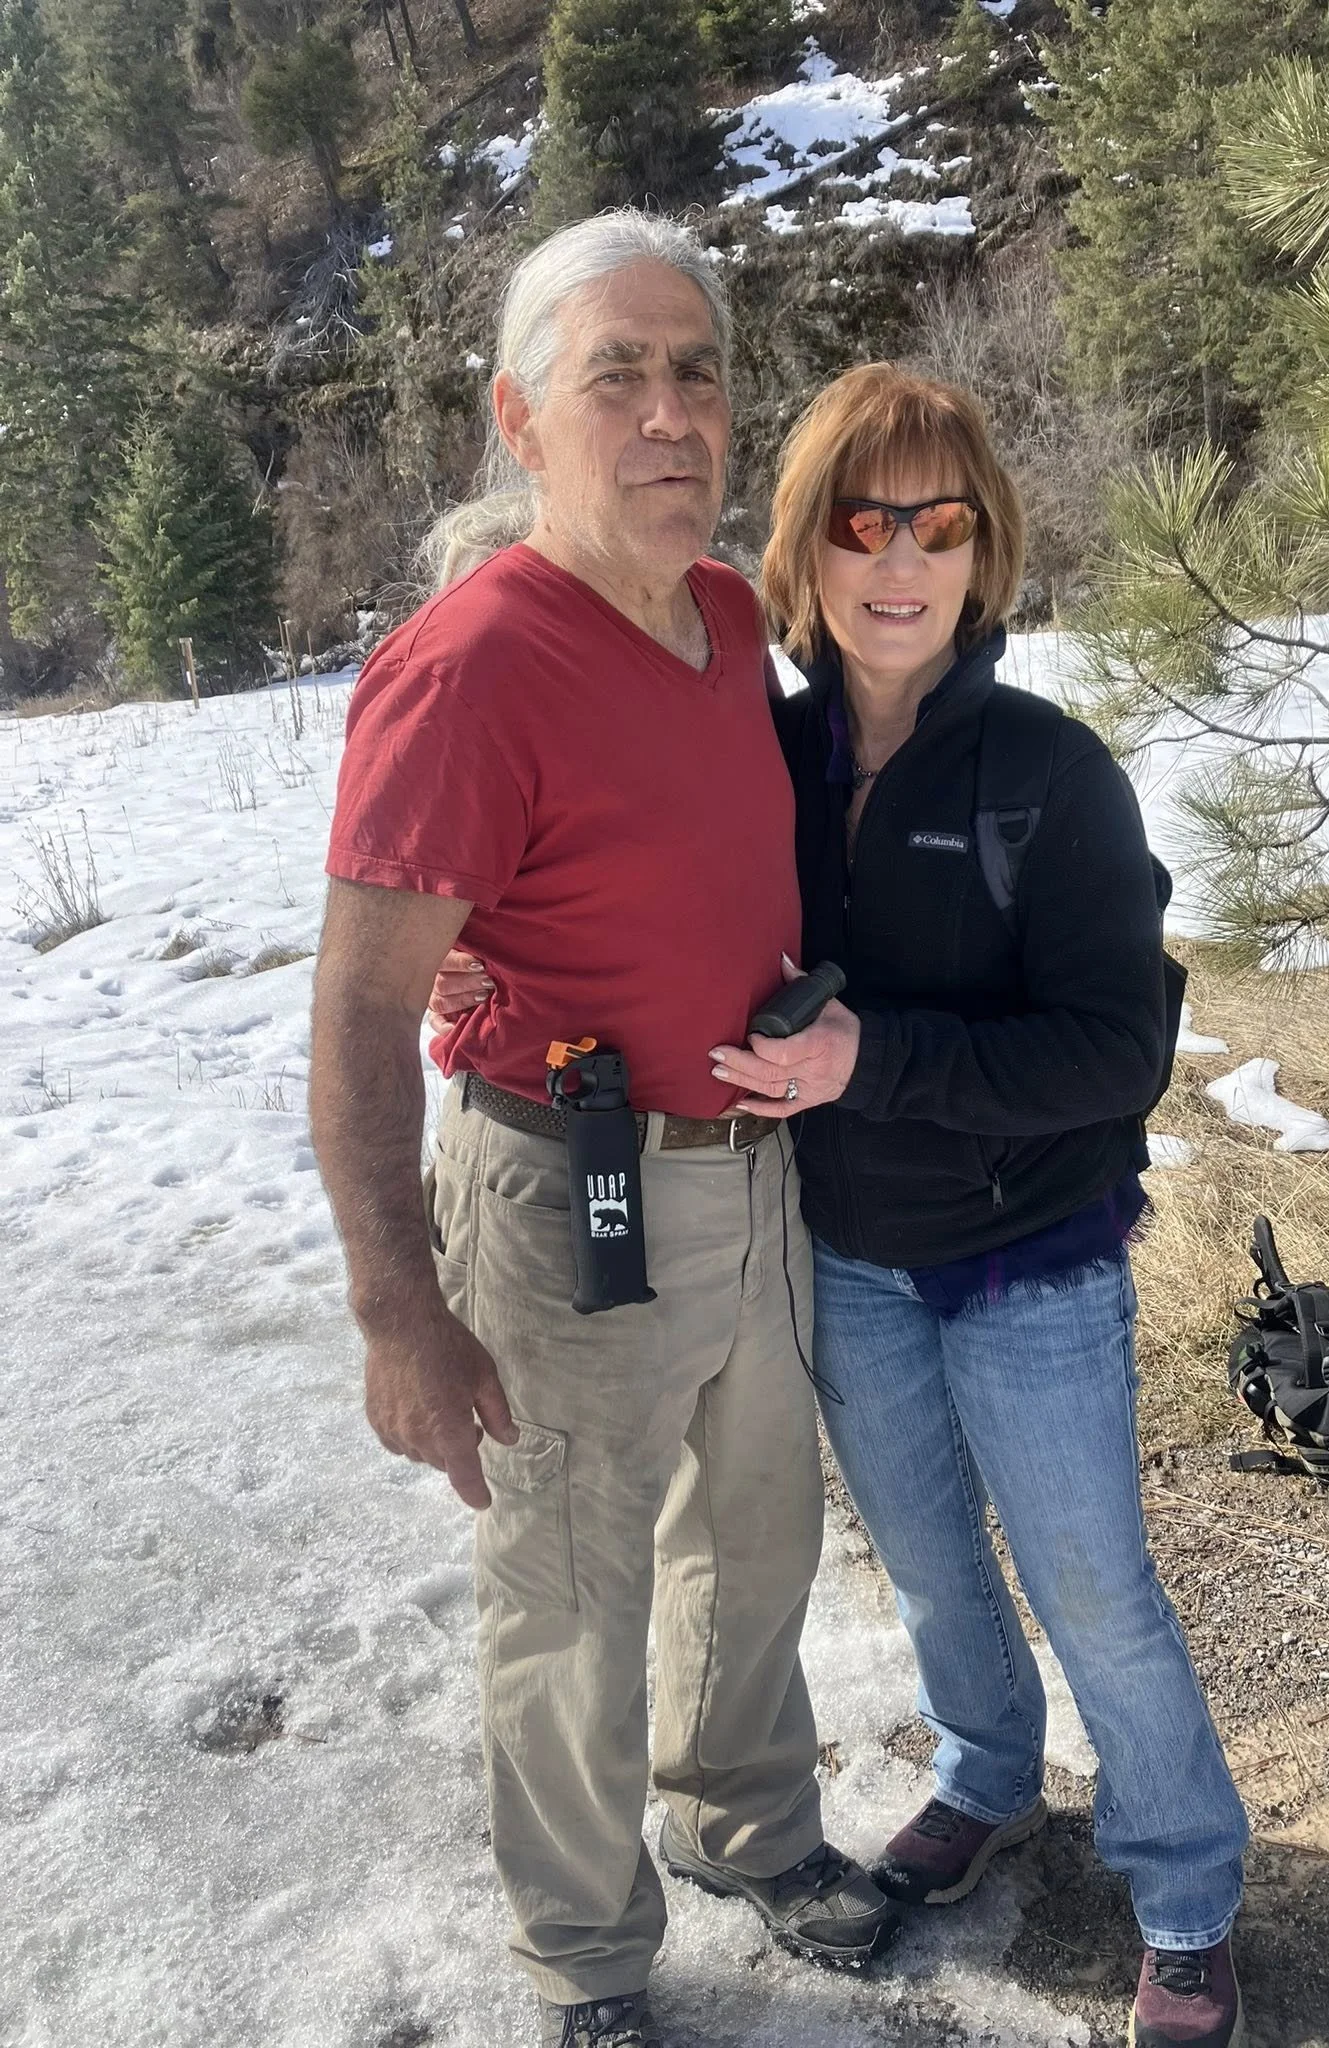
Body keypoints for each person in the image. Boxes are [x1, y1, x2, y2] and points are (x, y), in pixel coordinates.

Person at [434, 362, 1251, 2048]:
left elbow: (1117, 1050)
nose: (901, 558)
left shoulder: (1048, 771)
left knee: (1094, 1585)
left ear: (984, 551)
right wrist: (480, 942)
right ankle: (984, 1774)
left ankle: (1186, 1887)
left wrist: (880, 1060)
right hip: (848, 1259)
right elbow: (622, 857)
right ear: (805, 550)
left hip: (1029, 1261)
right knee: (939, 1574)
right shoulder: (766, 739)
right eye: (864, 519)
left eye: (939, 522)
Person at [309, 213, 894, 2048]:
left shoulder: (724, 615)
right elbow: (349, 1013)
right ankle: (584, 1951)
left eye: (697, 368)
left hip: (752, 1174)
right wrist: (398, 1306)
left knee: (755, 1533)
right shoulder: (468, 667)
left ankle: (748, 1823)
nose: (668, 413)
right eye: (614, 374)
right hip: (566, 1195)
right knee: (569, 1588)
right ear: (519, 417)